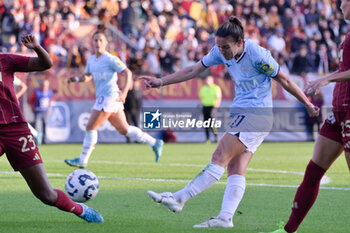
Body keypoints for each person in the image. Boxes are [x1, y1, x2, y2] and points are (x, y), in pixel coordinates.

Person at [141, 16, 319, 228]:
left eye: (226, 47)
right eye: (218, 46)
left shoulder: (257, 54)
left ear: (240, 43)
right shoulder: (219, 51)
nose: (222, 51)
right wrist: (161, 81)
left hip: (256, 113)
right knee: (236, 167)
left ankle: (180, 198)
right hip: (246, 113)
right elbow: (192, 70)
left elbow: (286, 80)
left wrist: (307, 104)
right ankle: (225, 217)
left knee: (219, 156)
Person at [0, 34, 103, 222]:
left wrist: (38, 47)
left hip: (16, 130)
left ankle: (81, 210)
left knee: (46, 195)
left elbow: (45, 64)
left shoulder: (5, 60)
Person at [269, 1, 350, 232]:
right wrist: (325, 78)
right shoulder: (347, 33)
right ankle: (288, 230)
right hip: (339, 110)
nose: (340, 5)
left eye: (343, 1)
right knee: (313, 171)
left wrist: (327, 79)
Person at [64, 30, 163, 169]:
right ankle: (154, 142)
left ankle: (82, 159)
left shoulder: (110, 59)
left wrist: (124, 92)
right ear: (92, 43)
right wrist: (74, 78)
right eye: (95, 40)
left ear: (105, 43)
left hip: (110, 96)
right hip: (107, 98)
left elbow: (127, 72)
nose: (98, 43)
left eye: (100, 40)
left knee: (91, 127)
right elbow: (87, 76)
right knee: (125, 130)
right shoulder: (91, 60)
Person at [13, 76, 42, 145]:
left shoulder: (8, 74)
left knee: (18, 120)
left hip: (10, 103)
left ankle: (36, 134)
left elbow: (24, 87)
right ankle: (35, 134)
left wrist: (16, 96)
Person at [29, 78, 53, 145]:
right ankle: (37, 141)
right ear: (41, 85)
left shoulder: (49, 92)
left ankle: (44, 140)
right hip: (38, 112)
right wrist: (32, 108)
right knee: (37, 127)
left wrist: (49, 109)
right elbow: (30, 101)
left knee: (45, 126)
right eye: (43, 85)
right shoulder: (36, 92)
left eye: (46, 85)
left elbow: (50, 102)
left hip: (45, 112)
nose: (45, 86)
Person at [199, 75, 222, 144]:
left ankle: (216, 137)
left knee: (212, 123)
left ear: (212, 80)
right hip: (205, 107)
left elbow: (218, 98)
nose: (207, 81)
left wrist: (215, 108)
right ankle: (207, 139)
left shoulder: (216, 88)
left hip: (212, 107)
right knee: (206, 124)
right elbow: (201, 98)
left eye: (209, 80)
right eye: (207, 80)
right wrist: (198, 106)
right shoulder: (203, 88)